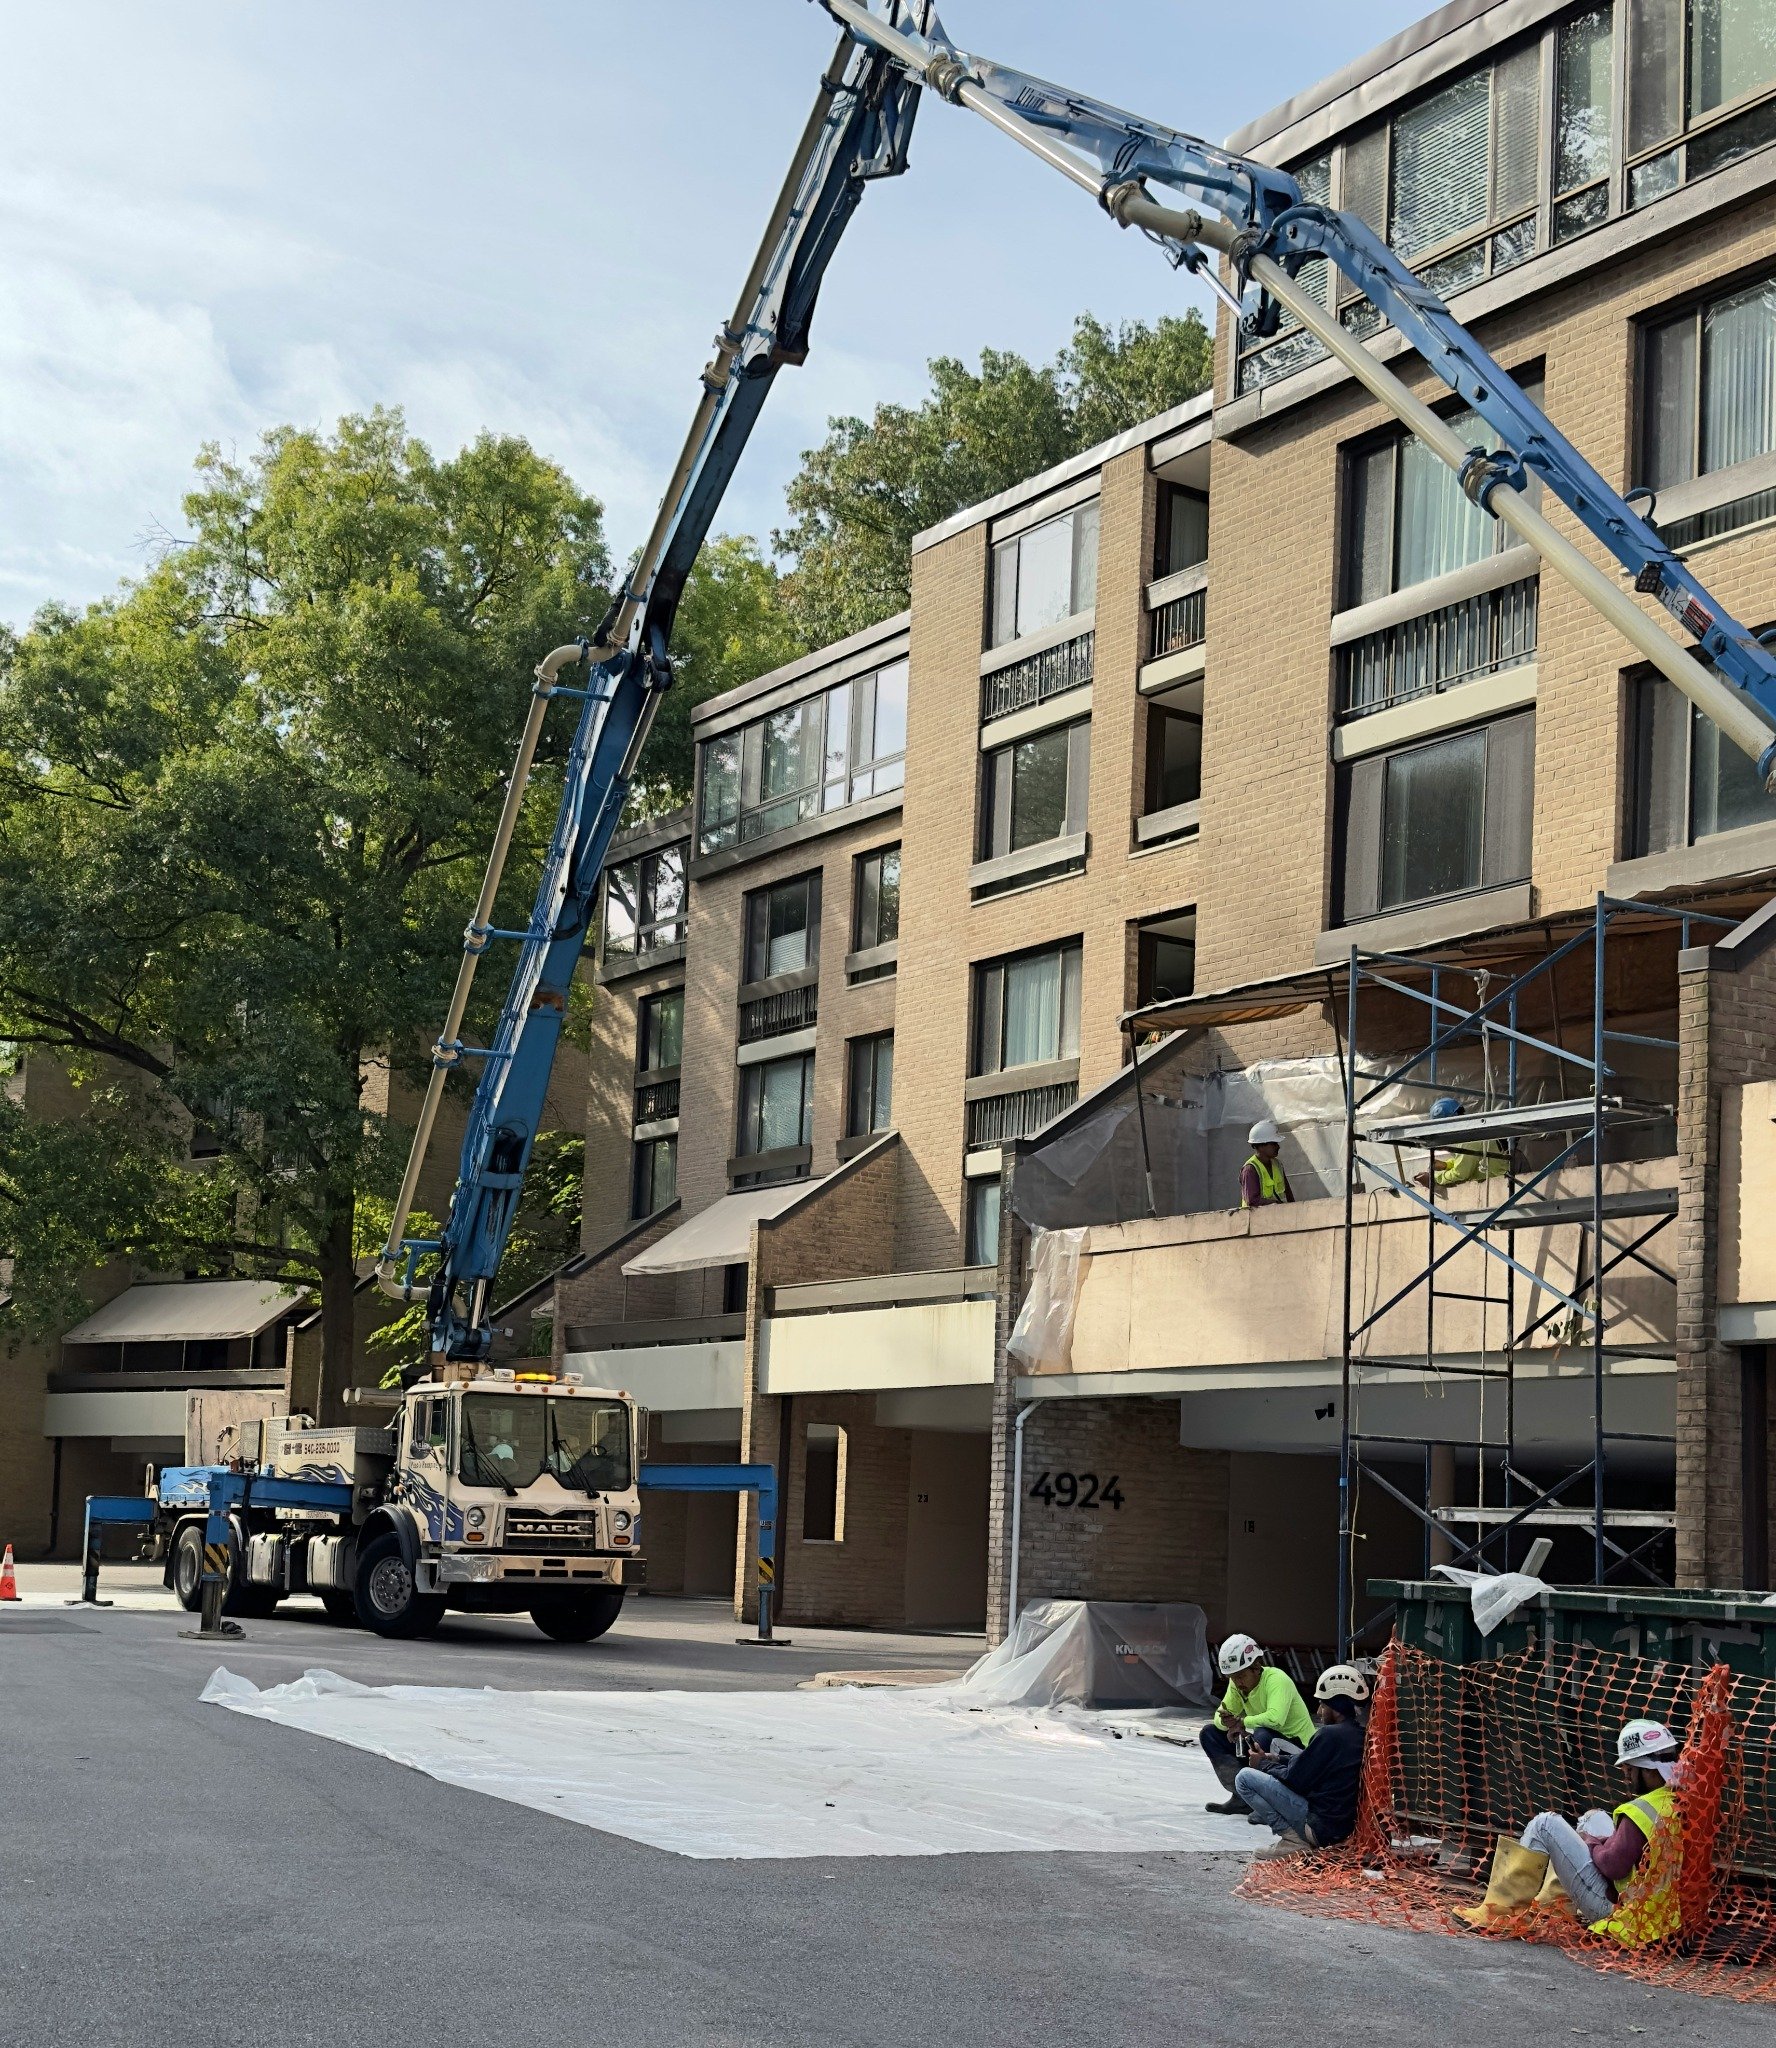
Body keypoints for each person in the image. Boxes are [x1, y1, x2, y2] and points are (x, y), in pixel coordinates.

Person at [1457, 1717, 1683, 1945]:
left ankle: (1500, 1913)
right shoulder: (1677, 1800)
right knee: (1591, 1818)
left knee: (1544, 1824)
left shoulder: (1640, 1811)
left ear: (1647, 1769)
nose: (1627, 1775)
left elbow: (1613, 1865)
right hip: (1658, 1914)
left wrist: (1593, 1844)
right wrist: (1599, 1840)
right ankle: (1556, 1909)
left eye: (1630, 1769)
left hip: (1621, 1912)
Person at [1236, 1664, 1370, 1853]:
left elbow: (1295, 1780)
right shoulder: (1360, 1735)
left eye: (1323, 1704)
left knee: (1244, 1778)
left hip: (1320, 1828)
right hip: (1344, 1829)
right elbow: (1311, 1762)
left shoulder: (1328, 1735)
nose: (1319, 1711)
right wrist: (1276, 1758)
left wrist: (1263, 1764)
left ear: (1336, 1708)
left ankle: (1292, 1841)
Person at [1200, 1633, 1317, 1814]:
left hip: (1298, 1750)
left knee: (1262, 1735)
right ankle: (1242, 1797)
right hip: (1268, 1743)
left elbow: (1275, 1719)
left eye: (1240, 1676)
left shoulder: (1277, 1679)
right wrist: (1229, 1724)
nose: (1237, 1682)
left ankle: (1267, 1801)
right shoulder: (1237, 1685)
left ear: (1256, 1667)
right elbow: (1220, 1716)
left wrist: (1242, 1722)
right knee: (1210, 1734)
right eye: (1232, 1677)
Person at [1413, 1095, 1507, 1190]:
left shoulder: (1468, 1139)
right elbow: (1467, 1160)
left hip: (1496, 1183)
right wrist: (1446, 1165)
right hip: (1493, 1178)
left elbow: (1461, 1173)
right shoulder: (1471, 1132)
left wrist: (1434, 1178)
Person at [1240, 1120, 1294, 1208]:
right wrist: (1277, 1204)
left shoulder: (1278, 1164)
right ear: (1261, 1146)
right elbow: (1252, 1201)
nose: (1278, 1146)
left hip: (1279, 1217)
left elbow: (1288, 1194)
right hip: (1256, 1219)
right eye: (1274, 1143)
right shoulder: (1250, 1169)